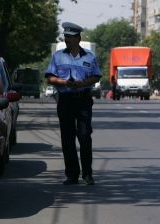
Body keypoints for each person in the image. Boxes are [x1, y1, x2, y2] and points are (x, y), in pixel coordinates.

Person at [45, 22, 102, 185]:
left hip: (83, 100)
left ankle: (87, 173)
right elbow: (50, 77)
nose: (67, 40)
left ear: (78, 38)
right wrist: (64, 82)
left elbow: (96, 76)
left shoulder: (89, 56)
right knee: (67, 138)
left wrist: (83, 83)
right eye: (65, 37)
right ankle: (72, 174)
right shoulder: (58, 56)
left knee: (84, 136)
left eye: (70, 37)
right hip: (65, 100)